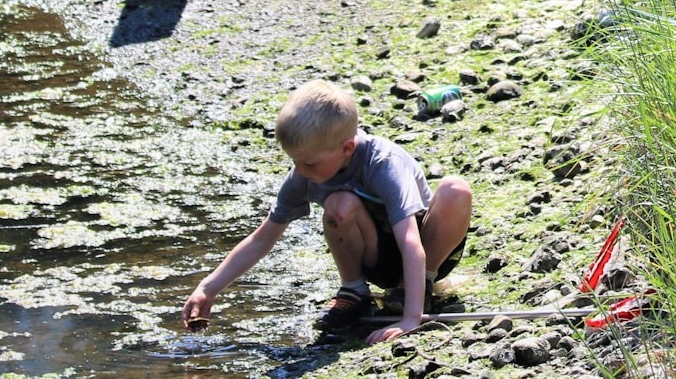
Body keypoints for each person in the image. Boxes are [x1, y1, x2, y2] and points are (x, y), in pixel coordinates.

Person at [181, 79, 473, 343]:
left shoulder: (383, 164)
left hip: (425, 252)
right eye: (294, 161)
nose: (300, 171)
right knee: (339, 204)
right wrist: (208, 288)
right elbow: (262, 239)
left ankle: (417, 287)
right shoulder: (304, 175)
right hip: (378, 259)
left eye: (308, 163)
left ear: (347, 148)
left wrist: (410, 319)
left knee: (455, 189)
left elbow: (410, 240)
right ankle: (354, 291)